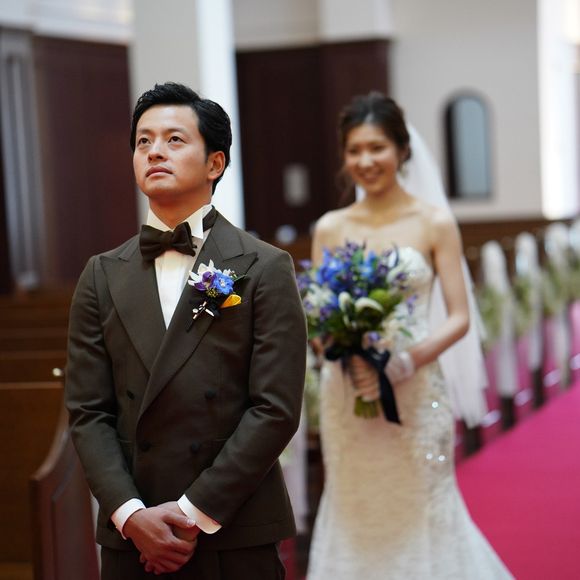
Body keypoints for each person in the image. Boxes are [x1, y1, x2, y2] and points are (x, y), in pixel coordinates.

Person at [65, 82, 307, 579]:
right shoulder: (101, 274)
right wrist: (131, 515)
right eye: (143, 141)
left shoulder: (264, 267)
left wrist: (193, 512)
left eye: (174, 139)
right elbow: (88, 412)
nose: (155, 151)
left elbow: (275, 409)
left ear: (215, 163)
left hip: (232, 527)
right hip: (133, 535)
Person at [306, 92, 513, 579]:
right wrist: (340, 352)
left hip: (415, 389)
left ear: (402, 150)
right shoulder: (331, 227)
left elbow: (459, 317)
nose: (365, 161)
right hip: (348, 393)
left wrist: (405, 362)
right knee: (355, 505)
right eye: (354, 150)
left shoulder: (433, 222)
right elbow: (317, 314)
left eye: (376, 148)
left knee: (421, 503)